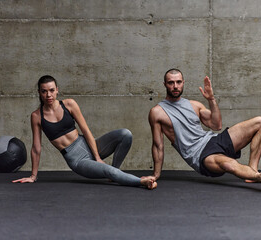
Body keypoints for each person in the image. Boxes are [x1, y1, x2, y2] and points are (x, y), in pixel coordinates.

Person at [13, 75, 157, 189]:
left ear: (57, 89)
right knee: (108, 170)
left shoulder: (69, 104)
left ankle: (115, 173)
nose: (48, 95)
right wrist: (33, 176)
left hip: (89, 145)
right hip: (77, 160)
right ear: (39, 92)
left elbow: (86, 130)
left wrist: (97, 157)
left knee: (125, 134)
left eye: (51, 90)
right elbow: (36, 148)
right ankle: (141, 182)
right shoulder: (37, 116)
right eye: (44, 91)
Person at [147, 68, 261, 184]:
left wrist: (211, 100)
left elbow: (216, 125)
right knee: (229, 164)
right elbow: (158, 146)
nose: (175, 86)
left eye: (178, 82)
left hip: (214, 140)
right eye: (171, 83)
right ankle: (258, 177)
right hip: (200, 154)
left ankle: (252, 171)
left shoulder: (194, 105)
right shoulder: (157, 112)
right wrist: (156, 174)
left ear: (183, 83)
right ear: (165, 84)